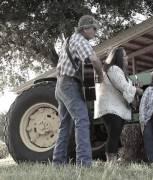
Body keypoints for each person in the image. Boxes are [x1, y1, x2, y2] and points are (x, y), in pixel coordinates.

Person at [53, 15, 103, 167]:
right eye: (94, 28)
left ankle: (58, 162)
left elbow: (81, 64)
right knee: (82, 120)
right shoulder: (81, 41)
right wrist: (100, 75)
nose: (95, 32)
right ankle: (84, 164)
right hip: (69, 85)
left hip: (60, 85)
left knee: (64, 126)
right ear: (85, 28)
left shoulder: (69, 39)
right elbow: (94, 60)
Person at [94, 47, 143, 162]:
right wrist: (137, 90)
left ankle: (113, 160)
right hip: (111, 107)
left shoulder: (115, 70)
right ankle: (111, 162)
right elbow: (123, 86)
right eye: (124, 56)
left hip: (114, 107)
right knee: (113, 135)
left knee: (114, 135)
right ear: (118, 58)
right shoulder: (114, 69)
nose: (127, 58)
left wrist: (134, 87)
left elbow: (125, 86)